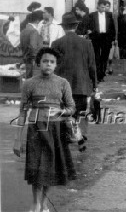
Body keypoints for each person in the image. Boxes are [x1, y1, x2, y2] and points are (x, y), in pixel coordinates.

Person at [16, 47, 76, 212]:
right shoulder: (29, 84)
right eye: (45, 61)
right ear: (38, 63)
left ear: (56, 65)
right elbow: (22, 111)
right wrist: (17, 139)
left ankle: (44, 204)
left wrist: (61, 111)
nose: (48, 64)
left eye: (52, 62)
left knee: (50, 169)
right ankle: (35, 203)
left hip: (55, 130)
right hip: (35, 130)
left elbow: (71, 107)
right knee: (36, 168)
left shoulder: (63, 83)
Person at [52, 12, 97, 147]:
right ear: (76, 26)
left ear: (63, 27)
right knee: (79, 111)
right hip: (81, 85)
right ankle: (79, 134)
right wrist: (94, 84)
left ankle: (67, 134)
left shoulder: (56, 43)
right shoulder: (87, 43)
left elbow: (52, 66)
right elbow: (92, 66)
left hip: (62, 86)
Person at [86, 0, 116, 82]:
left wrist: (113, 38)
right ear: (98, 7)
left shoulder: (109, 15)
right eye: (102, 7)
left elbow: (112, 27)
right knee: (96, 57)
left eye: (105, 7)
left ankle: (102, 74)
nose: (104, 9)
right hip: (96, 37)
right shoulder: (92, 15)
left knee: (105, 56)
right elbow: (88, 25)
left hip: (106, 37)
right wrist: (90, 31)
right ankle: (98, 75)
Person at [20, 11, 44, 79]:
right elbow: (33, 47)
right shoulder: (34, 31)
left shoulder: (23, 31)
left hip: (26, 60)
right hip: (33, 62)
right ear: (37, 21)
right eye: (41, 22)